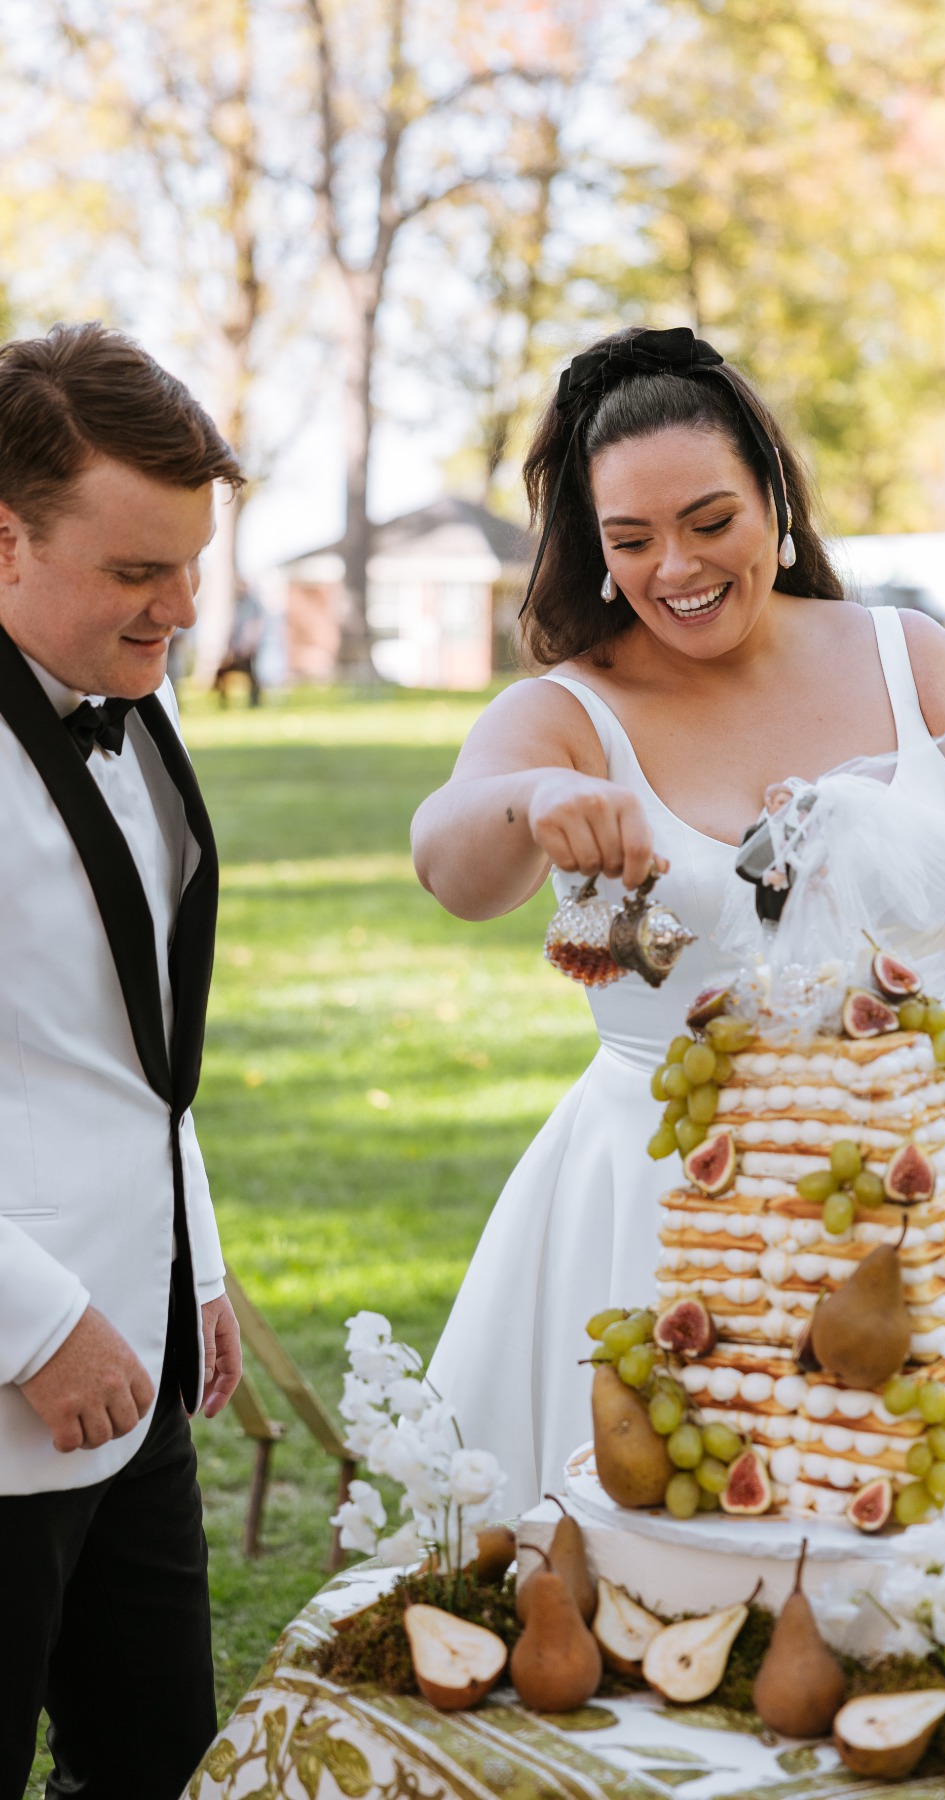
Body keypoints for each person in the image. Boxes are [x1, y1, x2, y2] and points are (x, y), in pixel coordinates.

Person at [412, 325, 945, 1515]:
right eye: (632, 540)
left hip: (937, 1178)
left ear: (774, 498)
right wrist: (531, 799)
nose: (675, 565)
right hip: (667, 1206)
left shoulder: (909, 657)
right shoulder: (568, 712)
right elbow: (452, 861)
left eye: (709, 520)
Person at [0, 322, 244, 1799]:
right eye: (136, 573)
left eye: (192, 568)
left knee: (158, 1760)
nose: (178, 612)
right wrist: (35, 1326)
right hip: (24, 1365)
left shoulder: (130, 706)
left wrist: (193, 1266)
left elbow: (129, 1047)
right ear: (5, 540)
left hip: (139, 1353)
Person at [213, 581, 264, 706]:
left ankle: (255, 701)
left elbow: (255, 625)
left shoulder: (253, 603)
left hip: (248, 647)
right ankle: (222, 700)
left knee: (252, 676)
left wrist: (250, 645)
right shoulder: (235, 603)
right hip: (234, 648)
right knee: (221, 673)